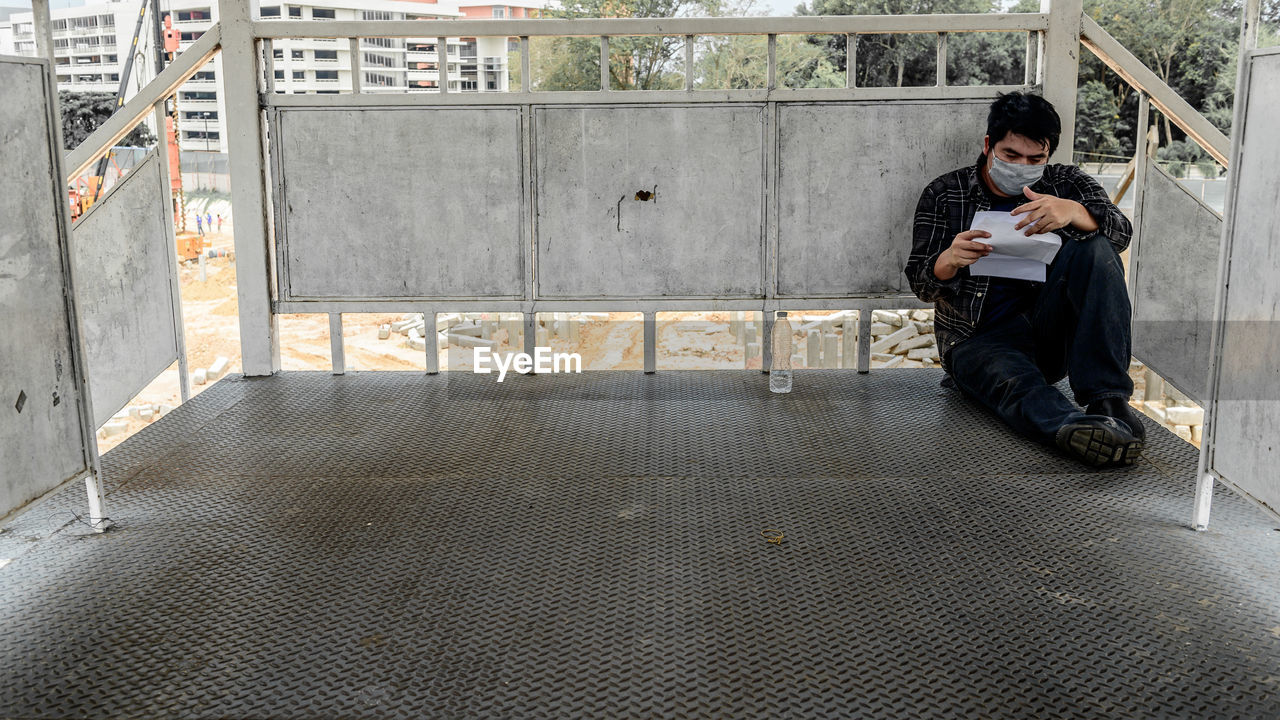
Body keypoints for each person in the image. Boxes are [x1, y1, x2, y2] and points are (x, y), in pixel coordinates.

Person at [905, 91, 1146, 468]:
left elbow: (1121, 235)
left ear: (1049, 153)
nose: (1022, 166)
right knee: (1014, 385)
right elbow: (920, 283)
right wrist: (949, 260)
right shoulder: (945, 193)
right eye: (1011, 155)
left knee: (1095, 247)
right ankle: (1077, 429)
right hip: (977, 341)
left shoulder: (1065, 183)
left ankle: (1109, 400)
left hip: (1050, 336)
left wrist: (1075, 211)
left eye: (1036, 158)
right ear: (989, 145)